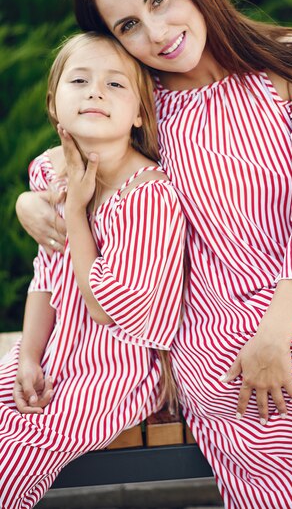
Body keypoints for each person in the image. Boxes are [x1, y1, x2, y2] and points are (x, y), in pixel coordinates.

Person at [16, 0, 292, 509]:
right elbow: (64, 155)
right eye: (128, 26)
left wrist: (276, 335)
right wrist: (30, 203)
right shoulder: (146, 109)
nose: (155, 33)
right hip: (220, 336)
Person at [0, 31, 185, 508]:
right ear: (53, 103)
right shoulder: (51, 171)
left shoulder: (148, 196)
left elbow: (107, 310)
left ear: (141, 113)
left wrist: (77, 214)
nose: (96, 92)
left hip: (119, 369)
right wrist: (28, 357)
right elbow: (48, 276)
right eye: (79, 80)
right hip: (55, 348)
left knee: (21, 444)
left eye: (115, 85)